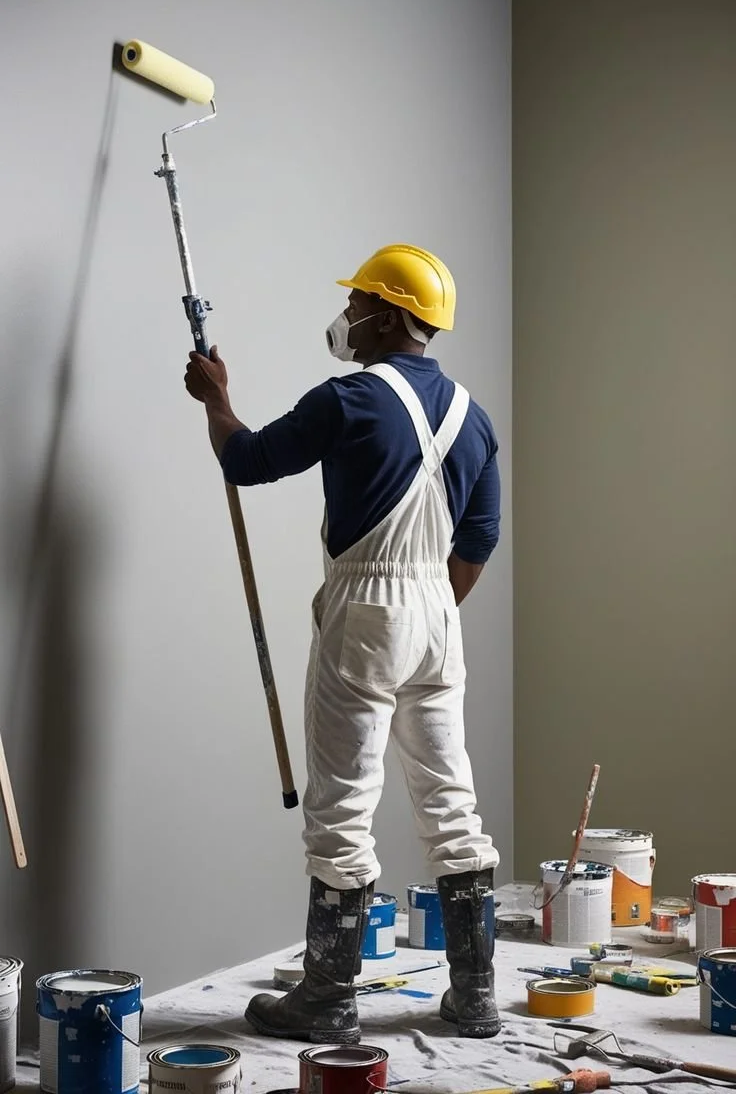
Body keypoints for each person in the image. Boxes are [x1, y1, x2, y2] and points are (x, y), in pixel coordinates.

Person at [184, 244, 502, 1044]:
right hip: (438, 612)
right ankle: (475, 996)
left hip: (367, 609)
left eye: (359, 303)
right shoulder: (474, 415)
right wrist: (427, 610)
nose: (348, 317)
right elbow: (479, 539)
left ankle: (326, 996)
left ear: (391, 315)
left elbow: (250, 461)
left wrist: (215, 400)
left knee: (341, 806)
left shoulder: (351, 398)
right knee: (450, 802)